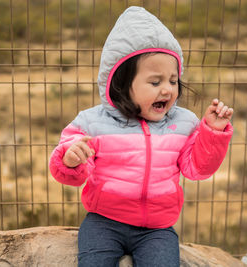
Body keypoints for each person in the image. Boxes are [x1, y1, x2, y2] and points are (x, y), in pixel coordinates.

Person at [49, 6, 233, 267]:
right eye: (155, 82)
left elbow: (197, 169)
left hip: (156, 230)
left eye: (172, 80)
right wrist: (70, 159)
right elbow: (70, 173)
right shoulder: (93, 122)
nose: (167, 90)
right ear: (122, 83)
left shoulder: (184, 123)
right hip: (104, 222)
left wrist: (212, 132)